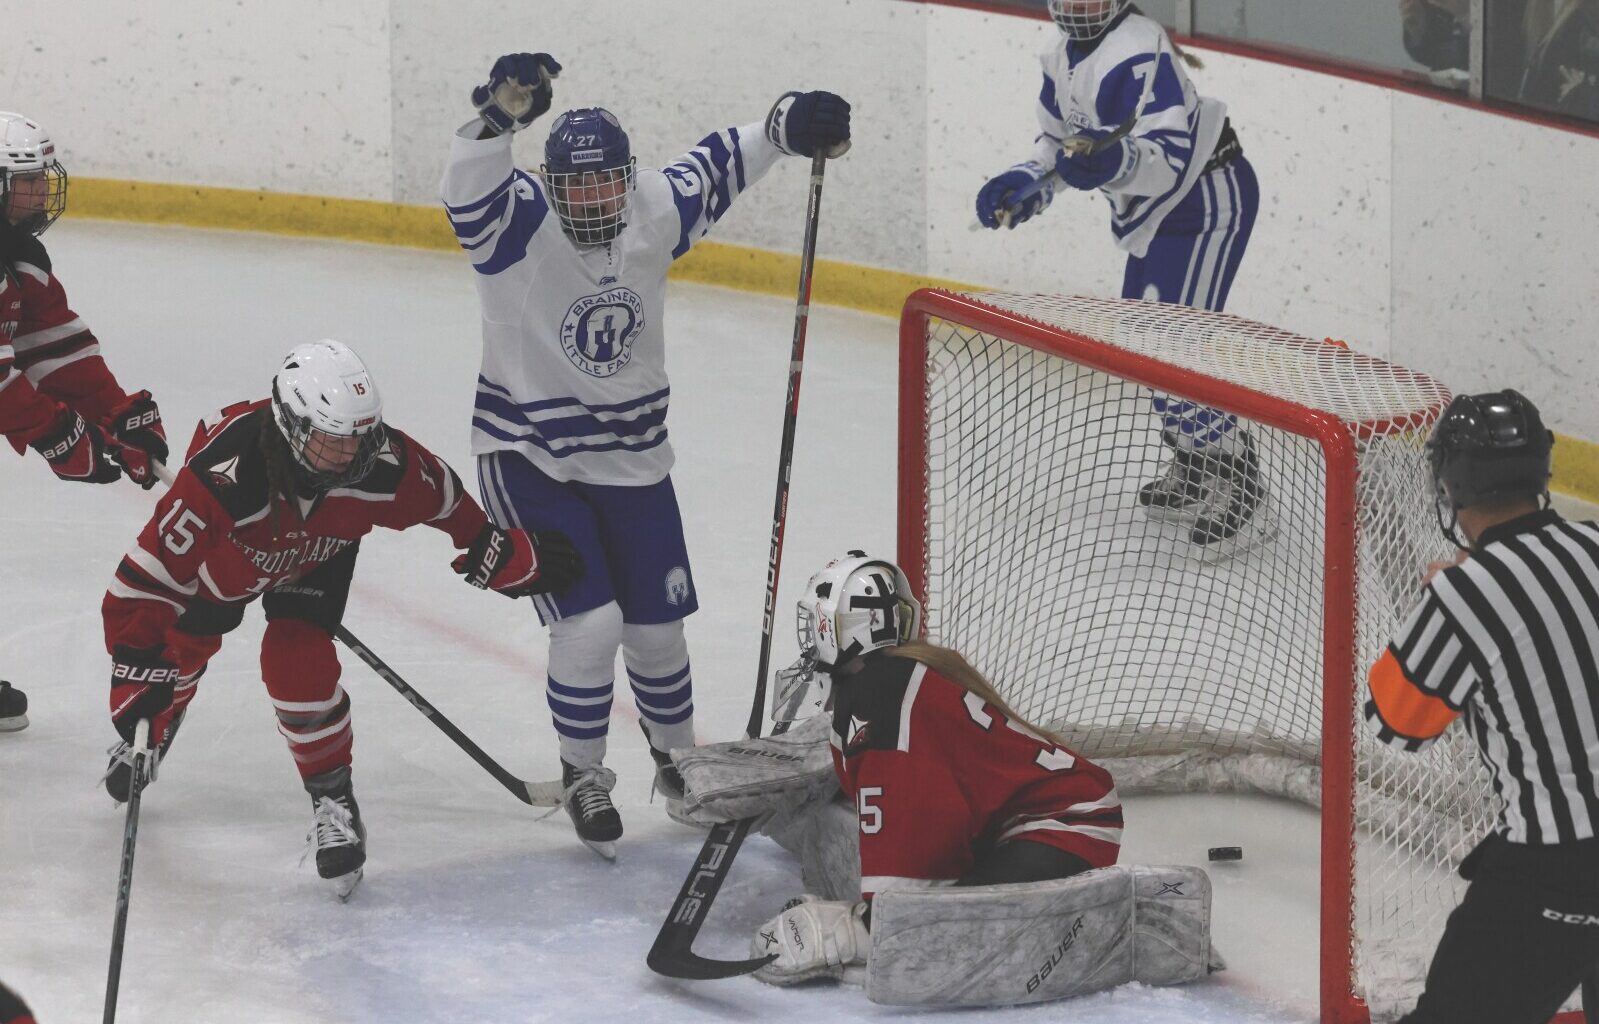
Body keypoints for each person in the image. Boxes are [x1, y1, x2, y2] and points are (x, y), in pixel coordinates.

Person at [439, 52, 851, 858]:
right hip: (531, 455)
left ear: (625, 180)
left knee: (659, 632)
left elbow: (729, 157)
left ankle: (680, 763)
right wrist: (497, 117)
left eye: (605, 184)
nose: (592, 199)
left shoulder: (654, 207)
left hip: (633, 460)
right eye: (575, 185)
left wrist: (790, 116)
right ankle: (585, 773)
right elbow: (467, 188)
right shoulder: (515, 222)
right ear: (548, 185)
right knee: (590, 627)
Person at [100, 340, 581, 898]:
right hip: (228, 562)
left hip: (316, 557)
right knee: (181, 647)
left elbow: (447, 501)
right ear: (291, 426)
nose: (350, 453)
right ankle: (154, 731)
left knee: (297, 662)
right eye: (333, 440)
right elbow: (141, 583)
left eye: (359, 436)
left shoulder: (384, 464)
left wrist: (497, 552)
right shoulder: (223, 477)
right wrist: (135, 665)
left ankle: (334, 799)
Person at [974, 2, 1265, 552]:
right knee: (1147, 348)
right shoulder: (1061, 56)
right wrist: (1029, 179)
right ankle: (1197, 464)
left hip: (1205, 201)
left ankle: (1241, 483)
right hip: (1164, 210)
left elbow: (1170, 157)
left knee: (1177, 354)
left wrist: (1116, 162)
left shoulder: (1136, 48)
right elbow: (1059, 142)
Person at [1364, 390, 1599, 1023]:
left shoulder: (1464, 594)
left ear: (1451, 484)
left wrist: (1439, 604)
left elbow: (1395, 722)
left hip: (1560, 864)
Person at [0, 110, 169, 731]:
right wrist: (59, 437)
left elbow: (55, 351)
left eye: (43, 176)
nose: (41, 190)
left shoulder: (19, 255)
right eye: (24, 179)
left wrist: (118, 415)